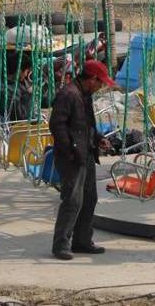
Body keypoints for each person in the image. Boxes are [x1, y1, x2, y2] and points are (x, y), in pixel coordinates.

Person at [49, 59, 115, 260]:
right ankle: (61, 244)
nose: (101, 87)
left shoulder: (84, 95)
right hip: (71, 158)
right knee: (72, 200)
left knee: (89, 198)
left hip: (85, 154)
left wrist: (98, 139)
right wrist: (70, 151)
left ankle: (82, 241)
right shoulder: (68, 94)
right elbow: (57, 125)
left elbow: (87, 125)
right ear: (92, 79)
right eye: (100, 83)